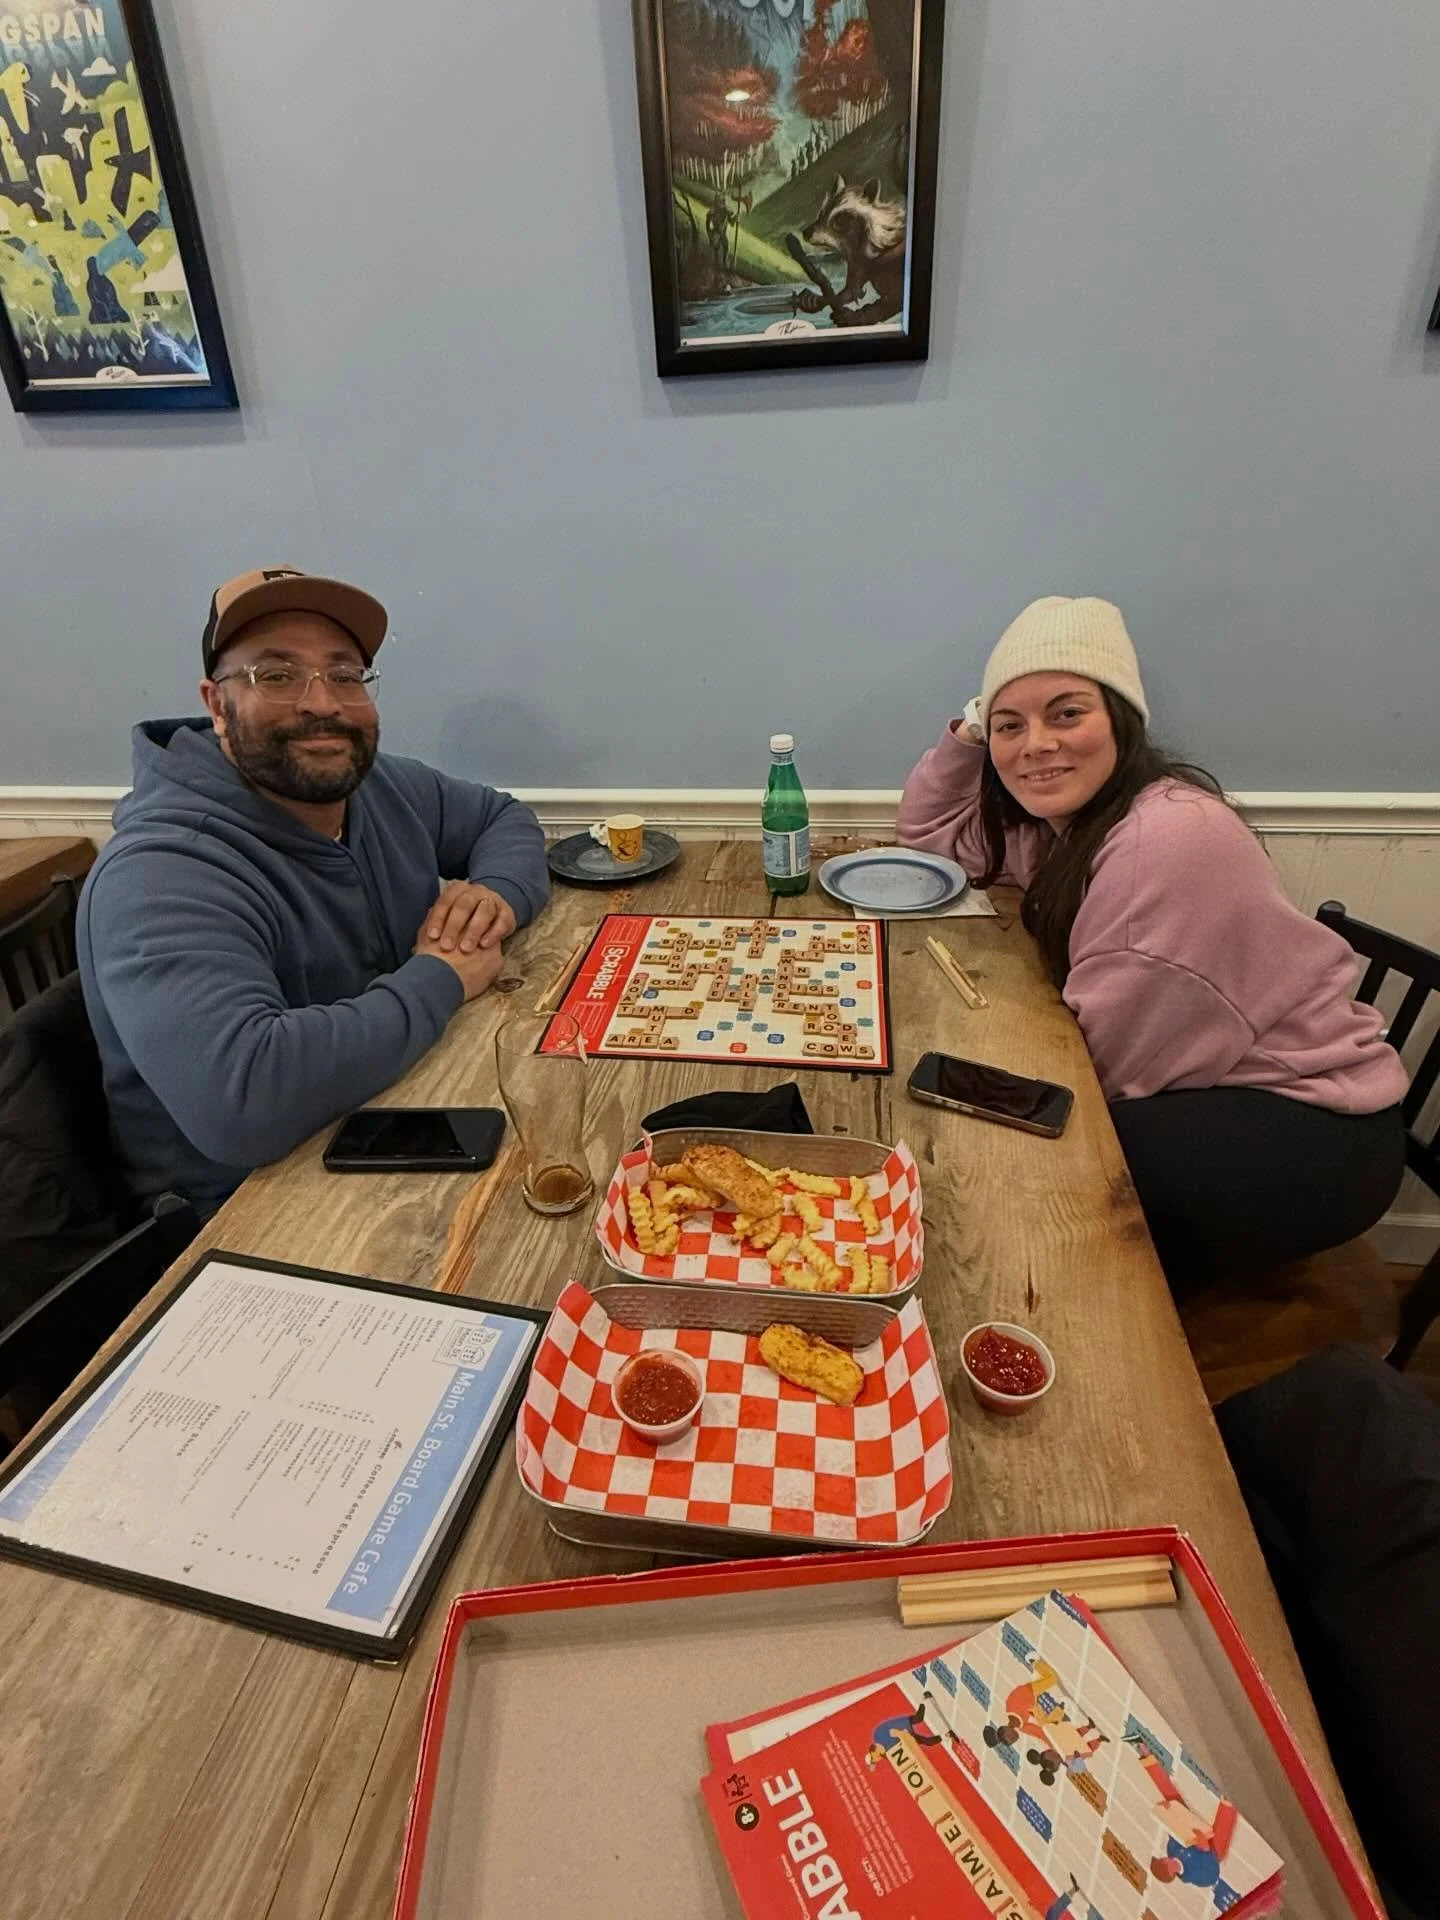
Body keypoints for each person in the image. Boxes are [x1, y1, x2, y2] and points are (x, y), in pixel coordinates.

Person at [896, 596, 1407, 1288]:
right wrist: (968, 733)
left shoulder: (1167, 841)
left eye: (1067, 713)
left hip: (1309, 1131)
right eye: (1010, 725)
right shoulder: (1071, 828)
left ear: (1122, 721)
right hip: (1206, 1088)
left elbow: (1101, 1081)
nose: (1036, 744)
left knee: (1009, 1186)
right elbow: (931, 840)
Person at [78, 567, 550, 1216]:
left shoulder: (376, 783)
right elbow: (243, 1102)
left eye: (346, 675)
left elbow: (503, 818)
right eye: (276, 675)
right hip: (243, 1218)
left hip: (395, 1116)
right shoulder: (159, 874)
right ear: (217, 705)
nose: (323, 703)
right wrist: (439, 977)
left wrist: (496, 892)